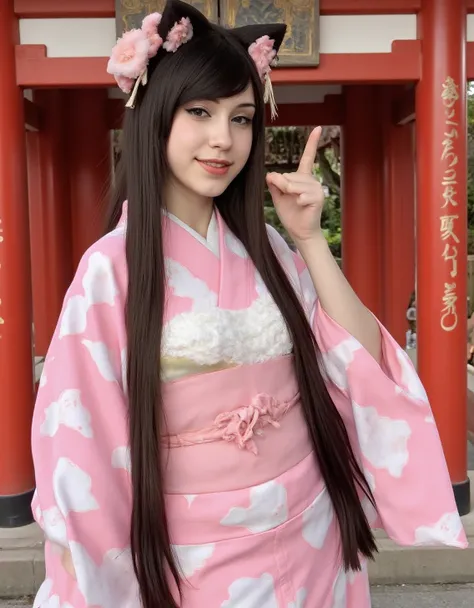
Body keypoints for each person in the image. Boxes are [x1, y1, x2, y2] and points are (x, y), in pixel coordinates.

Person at [30, 2, 467, 607]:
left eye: (242, 119)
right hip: (191, 557)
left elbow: (361, 362)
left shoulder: (272, 253)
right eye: (201, 113)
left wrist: (312, 240)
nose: (224, 140)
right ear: (154, 116)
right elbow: (83, 449)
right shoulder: (109, 271)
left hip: (312, 531)